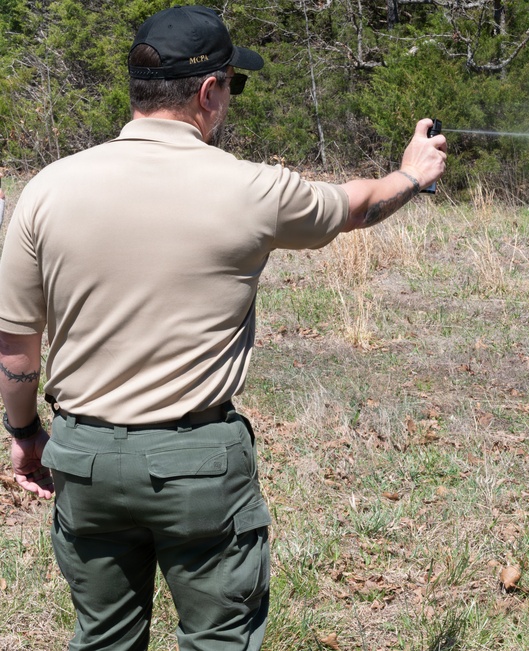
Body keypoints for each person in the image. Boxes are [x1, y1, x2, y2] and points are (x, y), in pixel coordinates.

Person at [0, 5, 445, 650]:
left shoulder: (48, 188)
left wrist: (23, 433)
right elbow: (358, 205)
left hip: (84, 457)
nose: (232, 98)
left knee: (102, 638)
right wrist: (412, 173)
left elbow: (16, 347)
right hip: (198, 463)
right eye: (234, 84)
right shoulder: (252, 189)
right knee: (220, 640)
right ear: (208, 91)